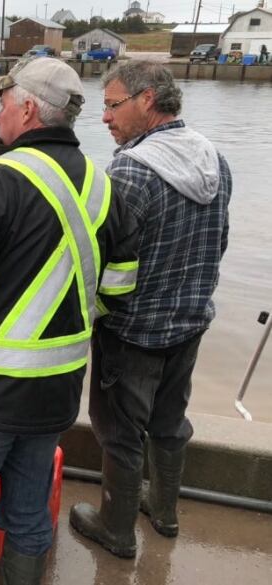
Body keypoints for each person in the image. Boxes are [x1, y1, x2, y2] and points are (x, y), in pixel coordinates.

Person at [0, 57, 139, 585]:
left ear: (29, 108)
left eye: (2, 104)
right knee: (28, 516)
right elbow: (117, 293)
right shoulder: (108, 190)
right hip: (54, 396)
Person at [69, 61, 231, 558]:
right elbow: (218, 243)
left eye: (112, 105)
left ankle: (115, 530)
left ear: (147, 101)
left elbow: (105, 257)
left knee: (119, 430)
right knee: (169, 420)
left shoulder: (131, 170)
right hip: (190, 323)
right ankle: (164, 512)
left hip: (134, 332)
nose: (103, 118)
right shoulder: (214, 160)